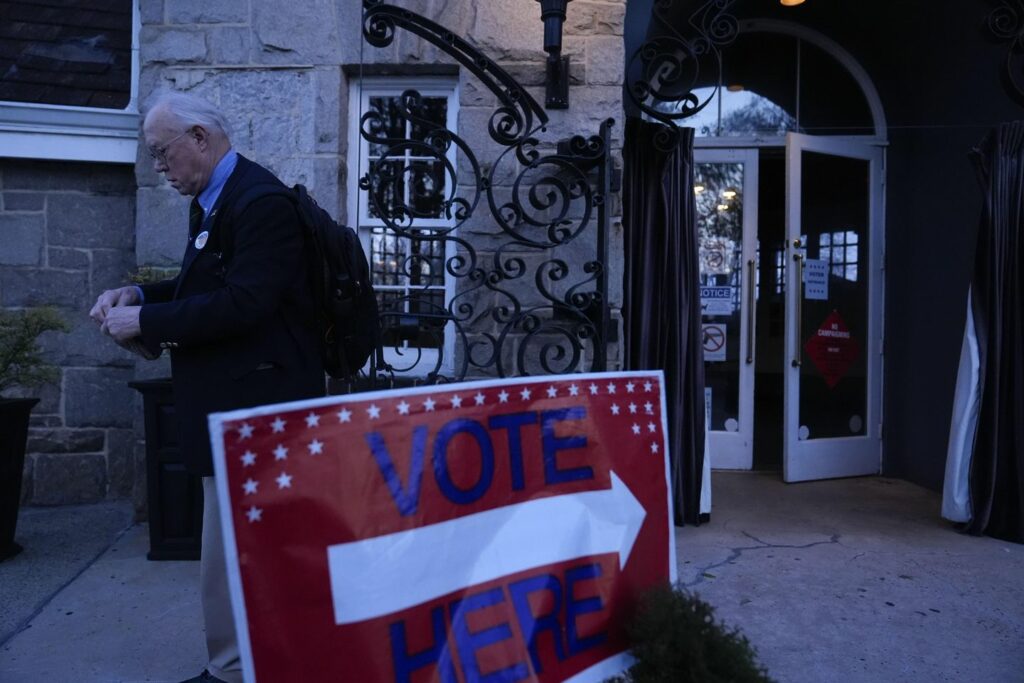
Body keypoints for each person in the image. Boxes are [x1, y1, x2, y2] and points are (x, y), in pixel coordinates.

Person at [90, 91, 325, 683]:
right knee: (238, 550)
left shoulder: (260, 202)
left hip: (253, 414)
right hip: (236, 408)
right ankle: (247, 662)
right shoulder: (222, 197)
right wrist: (140, 295)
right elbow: (206, 284)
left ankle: (233, 670)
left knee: (231, 553)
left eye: (162, 153)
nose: (158, 168)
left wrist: (145, 323)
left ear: (200, 137)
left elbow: (244, 303)